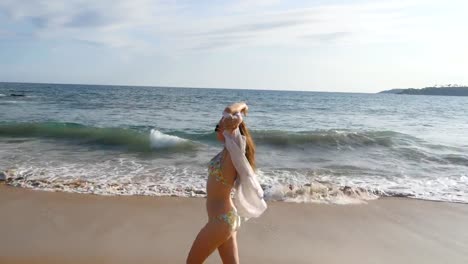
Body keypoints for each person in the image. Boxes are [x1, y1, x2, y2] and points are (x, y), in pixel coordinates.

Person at [186, 102, 267, 264]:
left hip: (221, 220)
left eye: (219, 126)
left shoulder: (233, 151)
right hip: (225, 219)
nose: (217, 129)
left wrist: (243, 106)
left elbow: (229, 111)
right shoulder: (225, 152)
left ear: (231, 129)